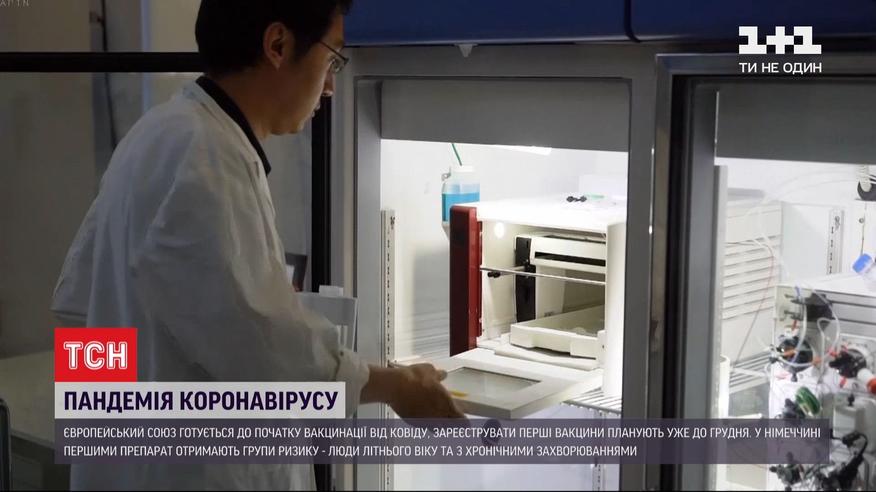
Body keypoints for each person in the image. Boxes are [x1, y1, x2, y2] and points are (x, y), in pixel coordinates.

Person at [51, 1, 462, 489]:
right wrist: (394, 386)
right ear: (278, 45)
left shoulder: (158, 133)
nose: (331, 86)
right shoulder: (207, 158)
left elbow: (79, 311)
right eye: (332, 59)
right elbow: (265, 350)